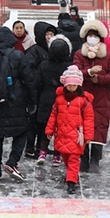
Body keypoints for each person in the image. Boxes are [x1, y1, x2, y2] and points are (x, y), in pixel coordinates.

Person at [0, 27, 36, 181]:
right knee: (22, 131)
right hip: (16, 100)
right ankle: (12, 161)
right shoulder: (18, 56)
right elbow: (29, 80)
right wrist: (32, 101)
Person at [73, 20, 110, 173]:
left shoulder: (108, 55)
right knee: (82, 128)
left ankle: (95, 160)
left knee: (99, 128)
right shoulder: (80, 54)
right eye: (89, 35)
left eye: (95, 35)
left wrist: (99, 79)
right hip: (83, 97)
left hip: (102, 98)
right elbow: (76, 72)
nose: (92, 38)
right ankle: (83, 159)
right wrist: (89, 72)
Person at [46, 66, 95, 194]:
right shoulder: (59, 100)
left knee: (74, 159)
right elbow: (53, 115)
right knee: (66, 157)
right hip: (62, 134)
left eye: (74, 85)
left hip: (77, 136)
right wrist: (50, 130)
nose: (71, 87)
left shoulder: (83, 101)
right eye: (69, 85)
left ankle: (71, 183)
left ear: (79, 85)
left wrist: (88, 135)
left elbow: (89, 119)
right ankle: (72, 175)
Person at [34, 34, 73, 165]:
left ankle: (42, 152)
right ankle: (57, 155)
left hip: (46, 99)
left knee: (46, 127)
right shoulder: (70, 67)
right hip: (63, 100)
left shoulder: (44, 65)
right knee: (61, 129)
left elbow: (37, 83)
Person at [24, 21, 57, 158]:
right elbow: (28, 71)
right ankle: (30, 148)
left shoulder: (52, 50)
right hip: (36, 91)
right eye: (47, 34)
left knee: (45, 121)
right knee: (34, 122)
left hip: (47, 92)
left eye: (52, 34)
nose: (49, 37)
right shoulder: (34, 51)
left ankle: (41, 146)